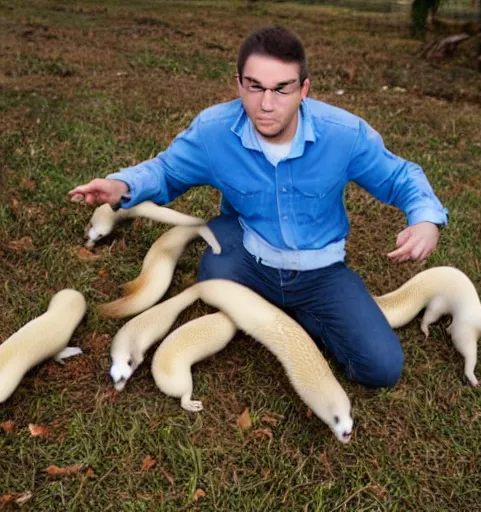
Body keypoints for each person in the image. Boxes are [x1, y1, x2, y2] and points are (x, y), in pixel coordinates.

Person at [69, 26, 448, 388]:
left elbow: (401, 177)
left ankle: (298, 312)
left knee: (381, 367)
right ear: (239, 84)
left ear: (304, 90)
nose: (266, 104)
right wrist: (121, 185)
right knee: (213, 276)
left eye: (282, 89)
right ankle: (244, 288)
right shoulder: (214, 131)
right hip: (248, 254)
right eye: (255, 87)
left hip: (320, 271)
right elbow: (166, 171)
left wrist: (425, 219)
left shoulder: (343, 134)